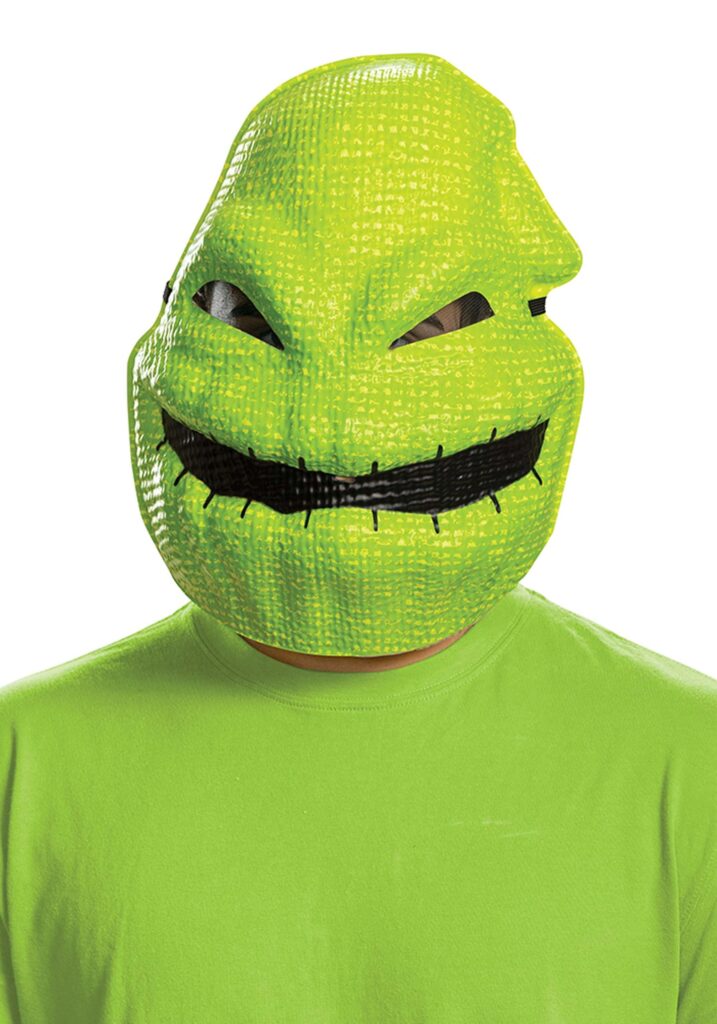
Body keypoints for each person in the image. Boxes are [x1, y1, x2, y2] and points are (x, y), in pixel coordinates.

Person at [1, 52, 715, 1023]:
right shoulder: (20, 765)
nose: (333, 413)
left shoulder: (693, 763)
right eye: (246, 314)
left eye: (423, 327)